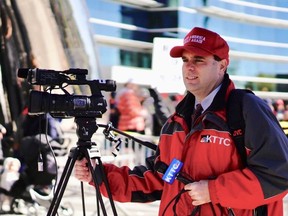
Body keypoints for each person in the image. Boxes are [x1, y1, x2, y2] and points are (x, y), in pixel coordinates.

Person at [74, 27, 288, 215]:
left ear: (222, 66)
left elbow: (278, 175)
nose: (189, 67)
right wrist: (98, 174)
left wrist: (214, 191)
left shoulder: (246, 108)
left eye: (199, 60)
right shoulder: (177, 121)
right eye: (185, 60)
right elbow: (159, 179)